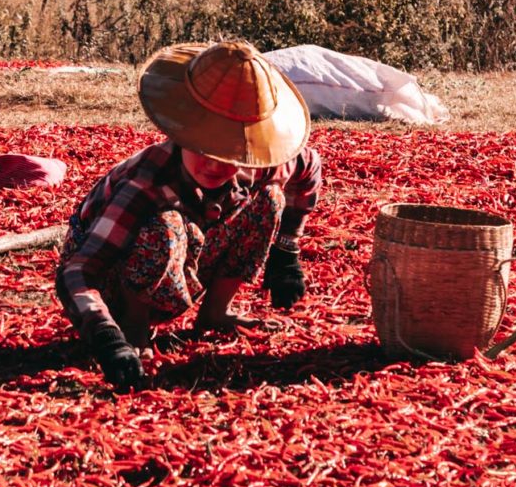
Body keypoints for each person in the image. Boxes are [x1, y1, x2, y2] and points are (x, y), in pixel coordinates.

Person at [56, 39, 322, 390]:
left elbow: (309, 169)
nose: (215, 164)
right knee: (165, 225)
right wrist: (104, 334)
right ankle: (133, 325)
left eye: (229, 152)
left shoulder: (255, 165)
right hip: (109, 272)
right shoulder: (145, 184)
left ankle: (215, 312)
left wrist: (287, 249)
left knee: (270, 199)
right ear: (181, 131)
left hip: (185, 247)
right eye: (204, 146)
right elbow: (77, 271)